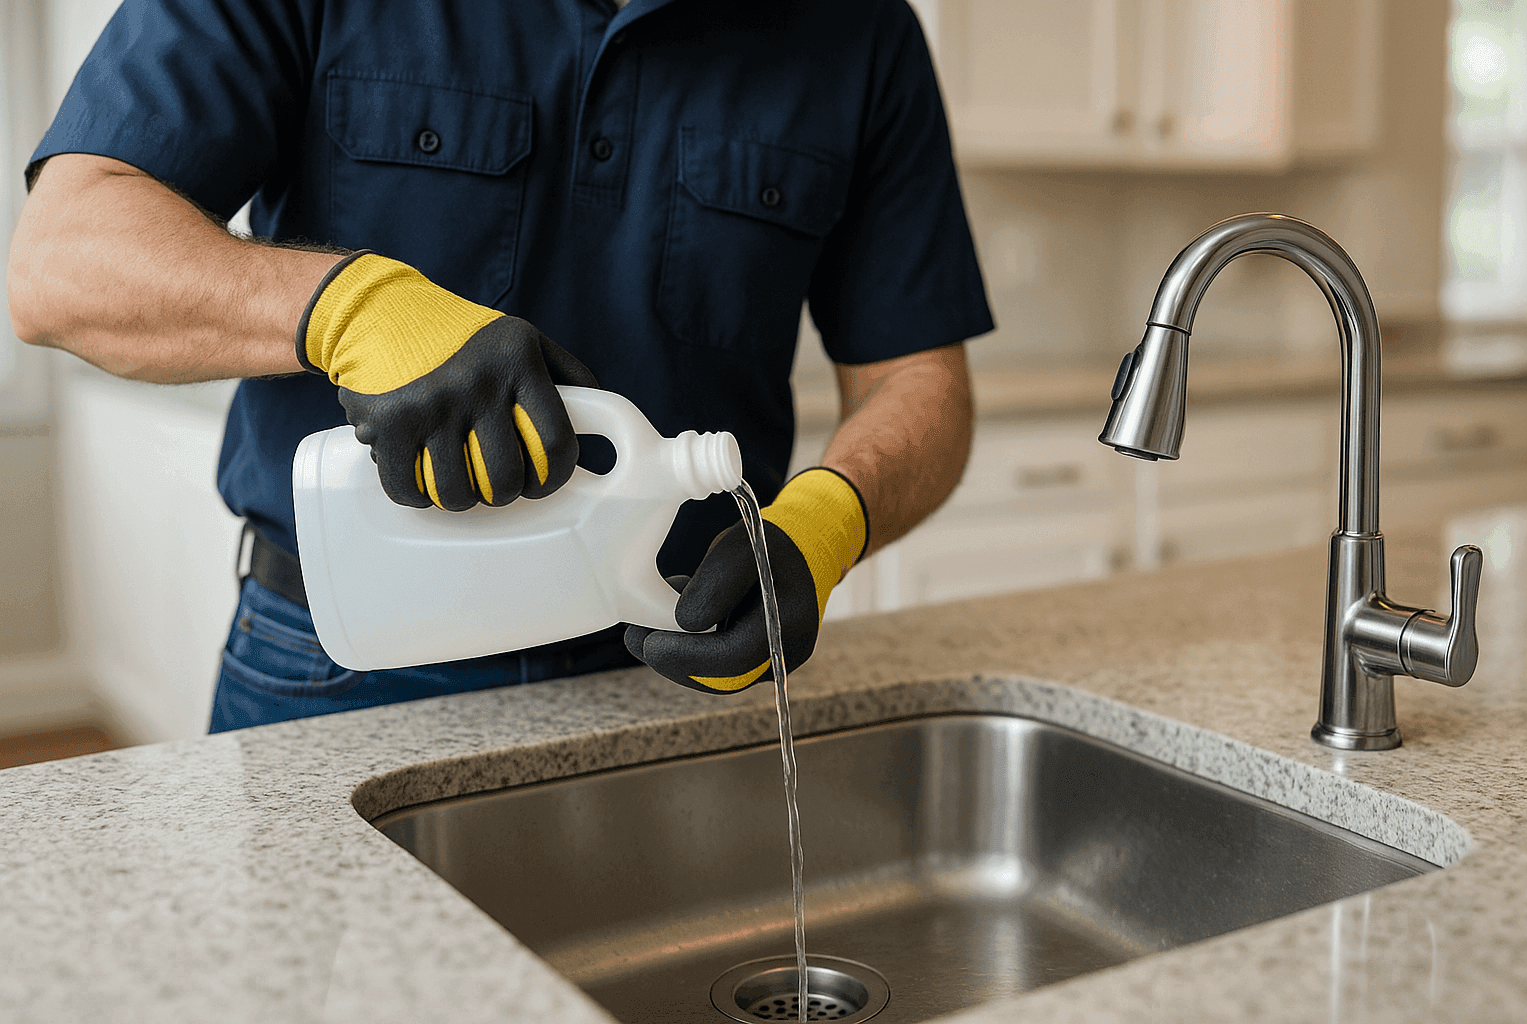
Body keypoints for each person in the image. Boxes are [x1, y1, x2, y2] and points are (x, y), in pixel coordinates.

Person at [7, 0, 993, 731]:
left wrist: (823, 525)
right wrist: (355, 308)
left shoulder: (860, 33)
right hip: (343, 665)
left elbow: (922, 383)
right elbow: (62, 261)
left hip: (680, 665)